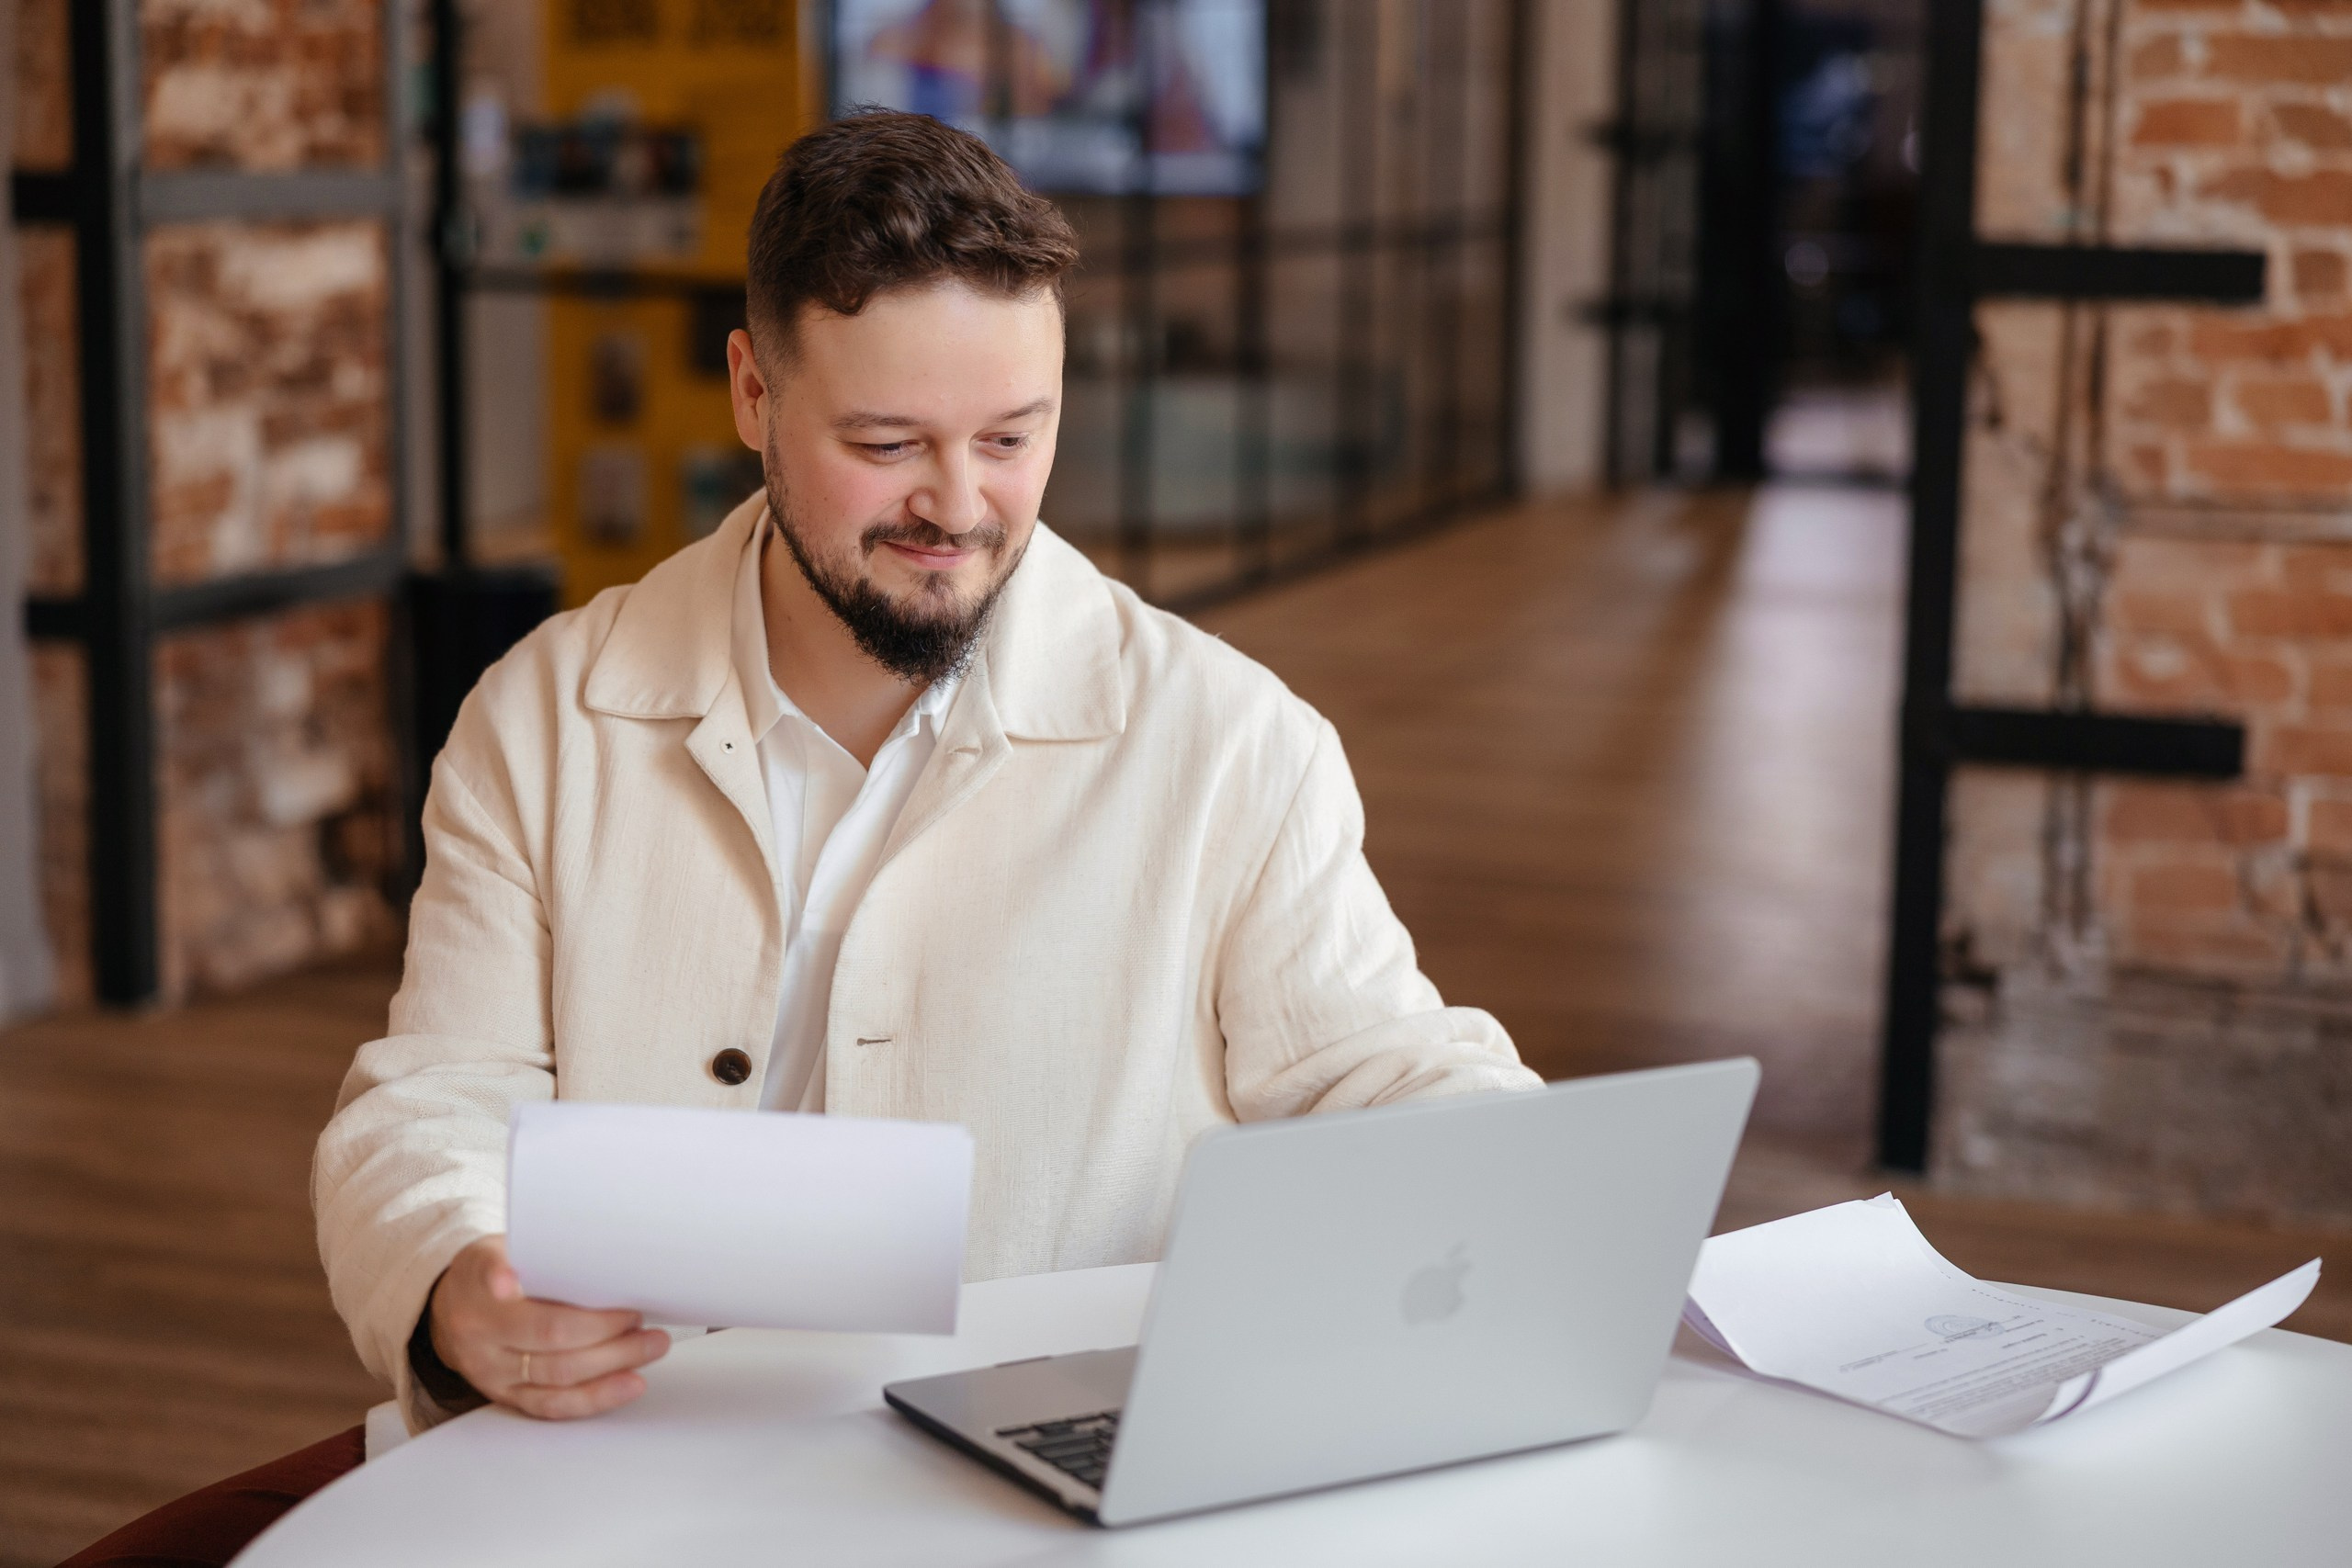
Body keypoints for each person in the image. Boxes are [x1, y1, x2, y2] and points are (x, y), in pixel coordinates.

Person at [60, 108, 1534, 1567]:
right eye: (887, 443)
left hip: (1007, 1498)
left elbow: (1381, 1071)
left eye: (1013, 438)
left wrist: (1517, 1192)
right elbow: (435, 1097)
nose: (960, 506)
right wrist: (455, 1284)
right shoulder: (546, 713)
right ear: (752, 393)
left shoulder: (1231, 741)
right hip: (610, 1460)